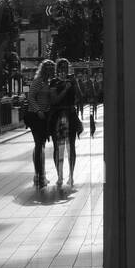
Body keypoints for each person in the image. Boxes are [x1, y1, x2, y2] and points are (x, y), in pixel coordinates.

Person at [49, 58, 83, 190]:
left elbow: (80, 96)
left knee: (71, 147)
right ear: (58, 69)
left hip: (70, 115)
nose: (63, 71)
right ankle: (59, 175)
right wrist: (65, 89)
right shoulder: (54, 82)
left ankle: (71, 175)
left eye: (65, 68)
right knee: (58, 147)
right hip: (58, 115)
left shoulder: (72, 80)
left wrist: (75, 84)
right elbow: (54, 100)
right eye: (61, 68)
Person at [26, 60, 57, 189]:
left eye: (51, 68)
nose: (49, 70)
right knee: (39, 143)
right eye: (47, 68)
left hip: (46, 116)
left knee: (41, 144)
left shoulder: (50, 82)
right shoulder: (38, 81)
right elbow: (31, 97)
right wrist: (38, 110)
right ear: (43, 69)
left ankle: (40, 174)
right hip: (35, 116)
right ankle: (39, 174)